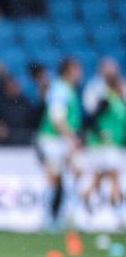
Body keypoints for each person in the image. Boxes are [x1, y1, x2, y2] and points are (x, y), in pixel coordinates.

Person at [37, 57, 83, 230]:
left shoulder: (67, 88)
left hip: (61, 139)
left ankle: (67, 214)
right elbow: (57, 118)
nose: (80, 73)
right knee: (53, 178)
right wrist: (71, 137)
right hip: (54, 139)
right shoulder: (60, 88)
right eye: (77, 69)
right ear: (68, 70)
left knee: (77, 171)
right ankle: (48, 218)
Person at [80, 72, 125, 224]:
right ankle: (119, 214)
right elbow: (90, 119)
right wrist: (100, 133)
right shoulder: (106, 100)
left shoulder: (119, 101)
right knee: (114, 177)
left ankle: (83, 200)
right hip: (103, 147)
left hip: (113, 146)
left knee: (99, 178)